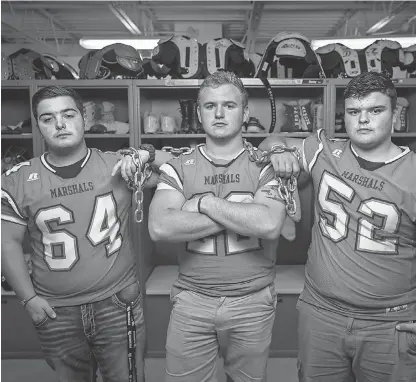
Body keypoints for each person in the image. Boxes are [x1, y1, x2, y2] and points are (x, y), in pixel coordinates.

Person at [260, 71, 416, 382]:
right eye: (353, 112)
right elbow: (269, 140)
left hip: (390, 322)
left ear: (394, 112)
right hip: (321, 313)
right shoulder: (322, 151)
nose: (363, 120)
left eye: (375, 111)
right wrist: (279, 152)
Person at [1, 85, 172, 382]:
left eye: (68, 114)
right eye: (47, 118)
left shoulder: (116, 164)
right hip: (55, 309)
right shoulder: (17, 180)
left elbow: (179, 168)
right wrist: (29, 300)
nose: (60, 124)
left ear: (83, 118)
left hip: (117, 303)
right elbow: (7, 242)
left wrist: (145, 153)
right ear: (39, 126)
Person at [148, 70, 287, 382]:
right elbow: (160, 227)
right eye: (210, 106)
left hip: (253, 298)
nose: (220, 113)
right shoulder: (178, 166)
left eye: (230, 105)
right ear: (199, 113)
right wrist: (242, 213)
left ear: (245, 112)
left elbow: (268, 224)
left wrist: (204, 202)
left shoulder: (266, 163)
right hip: (191, 299)